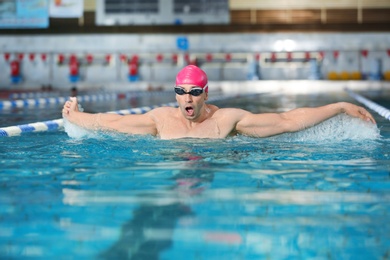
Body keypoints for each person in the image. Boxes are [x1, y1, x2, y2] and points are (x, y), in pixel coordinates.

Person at [62, 65, 376, 139]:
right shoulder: (159, 120)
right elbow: (110, 122)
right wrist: (78, 117)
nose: (188, 97)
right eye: (182, 91)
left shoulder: (225, 120)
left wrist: (339, 106)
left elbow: (286, 121)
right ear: (175, 94)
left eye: (195, 92)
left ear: (206, 94)